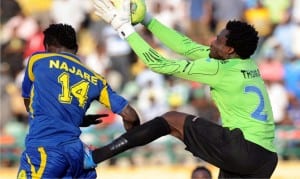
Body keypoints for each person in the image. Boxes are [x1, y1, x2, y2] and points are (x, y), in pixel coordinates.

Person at [85, 0, 278, 178]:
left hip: (242, 147)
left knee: (171, 120)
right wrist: (147, 19)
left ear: (229, 50)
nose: (212, 41)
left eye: (218, 40)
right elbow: (187, 47)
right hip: (266, 158)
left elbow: (159, 64)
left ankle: (95, 157)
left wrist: (123, 28)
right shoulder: (247, 62)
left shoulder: (219, 68)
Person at [17, 23, 140, 178]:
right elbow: (130, 116)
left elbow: (29, 103)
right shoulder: (96, 79)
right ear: (76, 48)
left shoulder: (38, 60)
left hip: (44, 148)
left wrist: (65, 115)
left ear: (47, 46)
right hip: (78, 156)